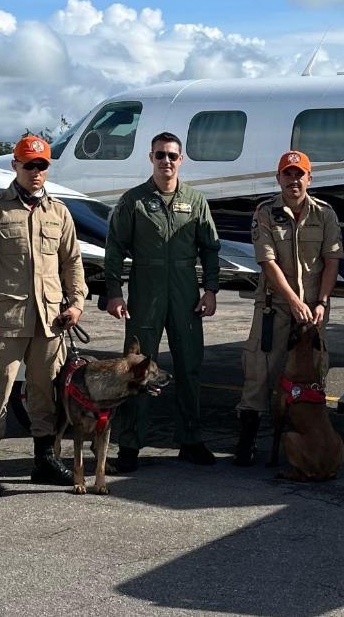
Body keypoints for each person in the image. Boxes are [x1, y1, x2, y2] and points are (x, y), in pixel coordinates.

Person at [0, 135, 87, 498]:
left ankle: (44, 462)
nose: (36, 172)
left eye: (42, 165)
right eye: (29, 164)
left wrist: (76, 302)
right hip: (5, 318)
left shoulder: (59, 212)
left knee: (44, 392)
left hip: (49, 320)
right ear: (15, 165)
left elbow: (72, 262)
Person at [104, 131, 221, 471]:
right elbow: (115, 249)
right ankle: (129, 445)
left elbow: (210, 248)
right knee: (136, 370)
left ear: (180, 159)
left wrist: (210, 289)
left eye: (172, 155)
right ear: (151, 159)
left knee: (189, 367)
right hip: (146, 291)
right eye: (160, 155)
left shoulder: (195, 201)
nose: (166, 161)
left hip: (185, 293)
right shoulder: (134, 201)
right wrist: (114, 292)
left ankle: (190, 440)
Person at [233, 150, 343, 466]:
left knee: (312, 374)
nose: (293, 180)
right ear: (278, 178)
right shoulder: (265, 213)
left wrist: (320, 302)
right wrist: (293, 302)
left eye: (299, 174)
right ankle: (247, 441)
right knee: (260, 370)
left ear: (309, 178)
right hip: (276, 307)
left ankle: (309, 437)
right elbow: (267, 261)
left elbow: (332, 260)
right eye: (288, 174)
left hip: (313, 310)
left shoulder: (325, 214)